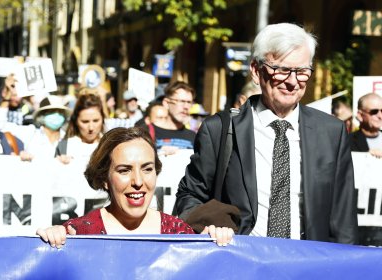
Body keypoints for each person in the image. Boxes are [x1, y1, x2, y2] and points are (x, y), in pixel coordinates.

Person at [175, 23, 358, 244]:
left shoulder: (332, 132)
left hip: (308, 266)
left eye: (301, 72)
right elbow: (189, 196)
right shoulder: (219, 130)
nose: (292, 82)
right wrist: (209, 227)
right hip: (241, 264)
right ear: (256, 70)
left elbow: (343, 219)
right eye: (282, 70)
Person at [36, 127, 233, 248]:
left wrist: (214, 244)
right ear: (105, 177)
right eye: (124, 170)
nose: (138, 181)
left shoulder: (179, 232)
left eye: (147, 169)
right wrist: (52, 242)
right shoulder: (77, 234)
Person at [0, 94, 71, 161]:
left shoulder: (70, 139)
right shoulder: (31, 133)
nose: (56, 115)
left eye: (60, 112)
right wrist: (7, 96)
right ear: (41, 115)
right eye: (51, 112)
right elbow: (1, 124)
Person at [55, 93, 105, 164]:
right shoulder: (64, 146)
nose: (91, 127)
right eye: (85, 122)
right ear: (76, 121)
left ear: (103, 119)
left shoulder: (111, 147)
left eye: (96, 121)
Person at [148, 81, 196, 154]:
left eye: (189, 102)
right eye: (181, 101)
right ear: (166, 103)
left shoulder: (194, 136)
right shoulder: (147, 132)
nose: (186, 107)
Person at [349, 93, 382, 158]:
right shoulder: (347, 142)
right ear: (360, 115)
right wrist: (367, 157)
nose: (380, 116)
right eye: (374, 112)